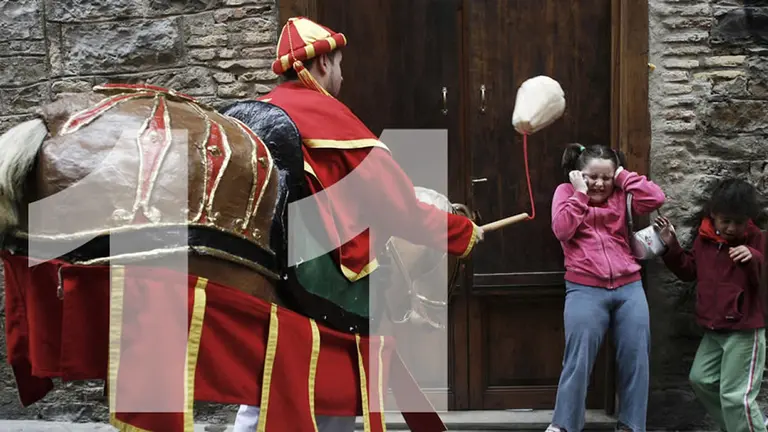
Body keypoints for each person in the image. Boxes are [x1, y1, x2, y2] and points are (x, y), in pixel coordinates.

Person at [233, 17, 483, 432]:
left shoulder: (253, 118)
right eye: (341, 64)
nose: (343, 75)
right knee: (337, 387)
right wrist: (462, 232)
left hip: (263, 276)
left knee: (264, 389)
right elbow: (399, 208)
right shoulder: (333, 122)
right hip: (322, 285)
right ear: (323, 64)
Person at [546, 143, 666, 432]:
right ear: (578, 174)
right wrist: (579, 194)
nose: (599, 183)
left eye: (607, 177)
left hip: (629, 287)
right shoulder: (566, 193)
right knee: (578, 361)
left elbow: (656, 197)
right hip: (584, 288)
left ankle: (631, 425)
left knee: (636, 359)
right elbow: (562, 229)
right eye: (592, 176)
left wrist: (624, 177)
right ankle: (564, 425)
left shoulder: (622, 195)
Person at [654, 178, 766, 432]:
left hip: (745, 330)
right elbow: (689, 270)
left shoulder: (755, 239)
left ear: (748, 219)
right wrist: (671, 247)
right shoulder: (704, 239)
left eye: (738, 222)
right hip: (714, 328)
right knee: (701, 380)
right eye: (725, 221)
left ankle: (751, 427)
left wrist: (753, 258)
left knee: (736, 396)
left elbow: (763, 281)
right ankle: (750, 426)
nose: (730, 228)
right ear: (713, 215)